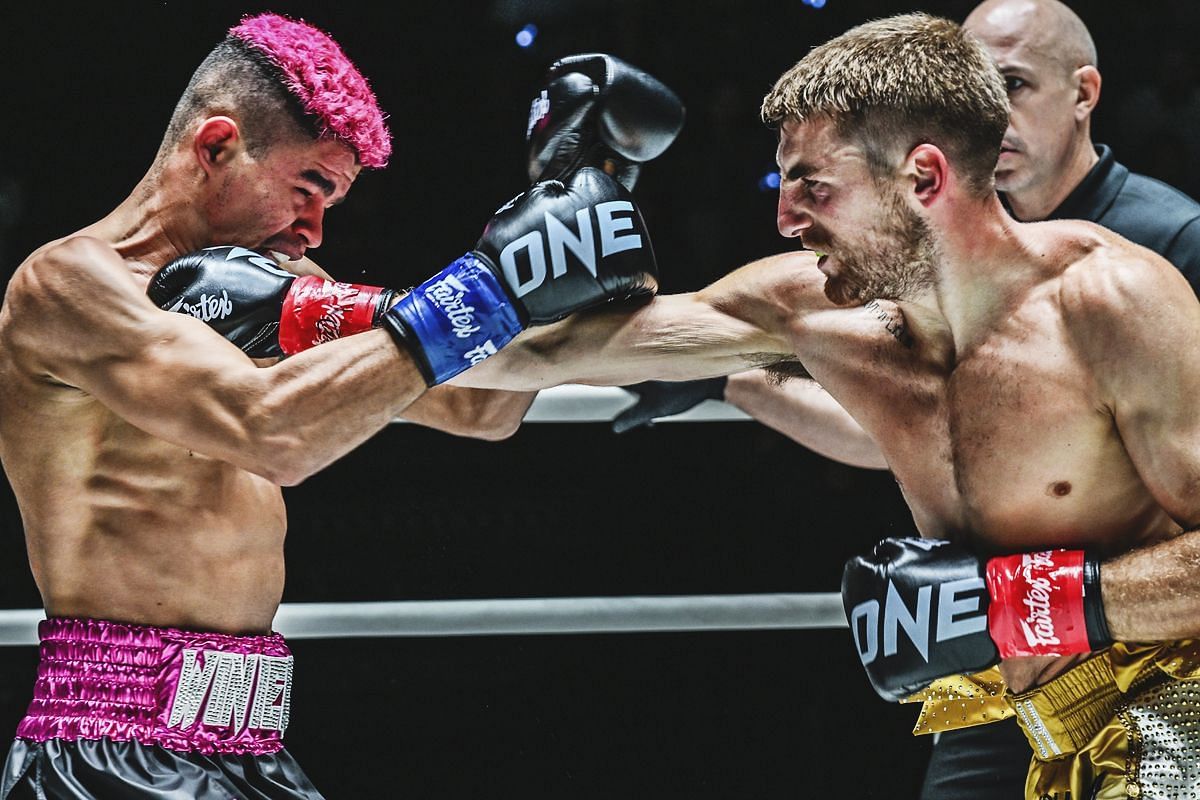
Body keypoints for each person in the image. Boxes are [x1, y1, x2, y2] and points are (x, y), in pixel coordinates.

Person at [432, 12, 1200, 797]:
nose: (785, 218)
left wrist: (1016, 607)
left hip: (1179, 716)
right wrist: (334, 318)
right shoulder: (816, 312)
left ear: (923, 178)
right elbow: (538, 356)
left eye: (815, 185)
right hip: (1033, 724)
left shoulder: (1119, 291)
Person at [0, 12, 658, 799]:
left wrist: (567, 215)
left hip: (250, 745)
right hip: (108, 750)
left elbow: (479, 409)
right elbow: (270, 430)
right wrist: (490, 287)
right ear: (216, 147)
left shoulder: (270, 289)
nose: (313, 230)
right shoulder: (68, 288)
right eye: (307, 188)